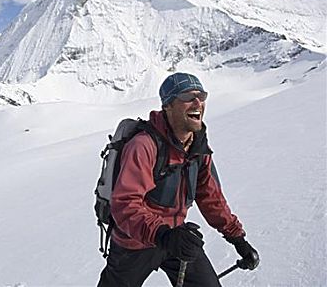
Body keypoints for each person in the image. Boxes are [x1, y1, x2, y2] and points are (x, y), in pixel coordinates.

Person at [97, 72, 259, 287]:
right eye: (187, 97)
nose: (197, 102)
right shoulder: (144, 146)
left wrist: (237, 238)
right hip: (134, 243)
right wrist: (163, 235)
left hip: (177, 239)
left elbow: (211, 198)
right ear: (168, 106)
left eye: (201, 96)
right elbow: (125, 205)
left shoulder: (198, 148)